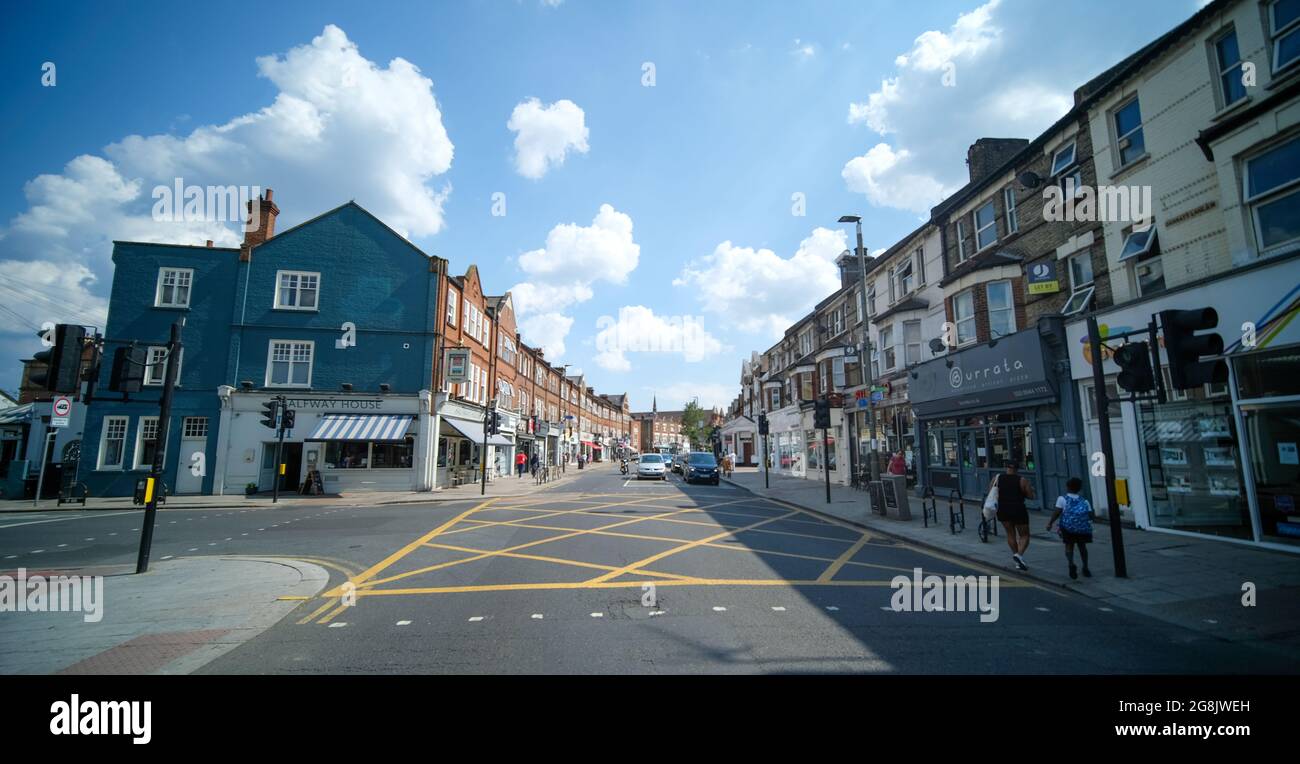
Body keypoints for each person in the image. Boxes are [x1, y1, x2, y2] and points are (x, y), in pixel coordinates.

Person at [990, 460, 1035, 571]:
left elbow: (991, 492)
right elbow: (1030, 496)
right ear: (1017, 469)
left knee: (1010, 534)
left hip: (1003, 509)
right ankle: (1019, 555)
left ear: (1006, 468)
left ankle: (1017, 559)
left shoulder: (997, 479)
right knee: (1024, 535)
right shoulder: (1022, 480)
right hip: (1018, 509)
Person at [1047, 477, 1093, 579]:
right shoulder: (1084, 501)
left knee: (1069, 546)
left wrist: (1050, 523)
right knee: (1082, 547)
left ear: (1068, 487)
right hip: (1082, 528)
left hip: (1068, 528)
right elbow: (1090, 515)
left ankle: (1071, 564)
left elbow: (1057, 513)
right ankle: (1085, 567)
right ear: (1079, 489)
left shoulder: (1062, 499)